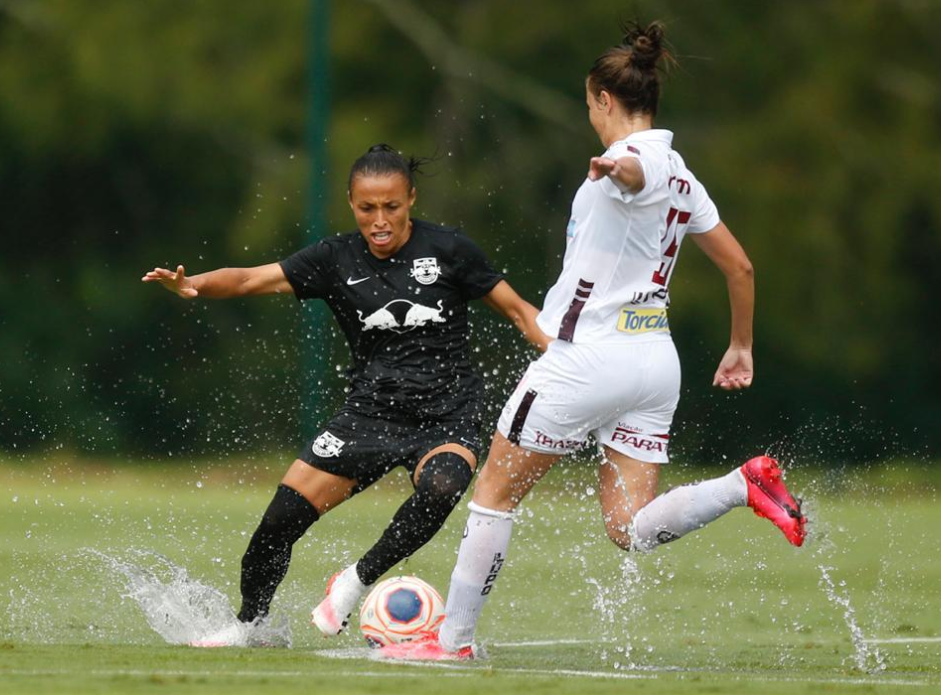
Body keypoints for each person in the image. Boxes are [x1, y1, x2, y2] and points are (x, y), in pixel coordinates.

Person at [380, 21, 808, 661]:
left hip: (584, 363)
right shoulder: (687, 178)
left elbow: (639, 172)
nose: (590, 116)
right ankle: (742, 485)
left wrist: (619, 166)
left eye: (589, 104)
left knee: (494, 495)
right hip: (653, 365)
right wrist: (740, 346)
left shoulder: (643, 165)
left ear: (605, 100)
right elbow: (739, 267)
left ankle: (455, 643)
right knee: (628, 528)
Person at [142, 144, 549, 647]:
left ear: (411, 199)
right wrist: (194, 286)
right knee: (279, 523)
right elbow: (250, 278)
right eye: (367, 208)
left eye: (392, 207)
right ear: (351, 203)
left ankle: (354, 580)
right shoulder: (333, 259)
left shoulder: (450, 249)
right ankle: (253, 628)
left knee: (442, 488)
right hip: (369, 415)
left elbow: (519, 312)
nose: (380, 220)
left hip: (448, 414)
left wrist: (569, 353)